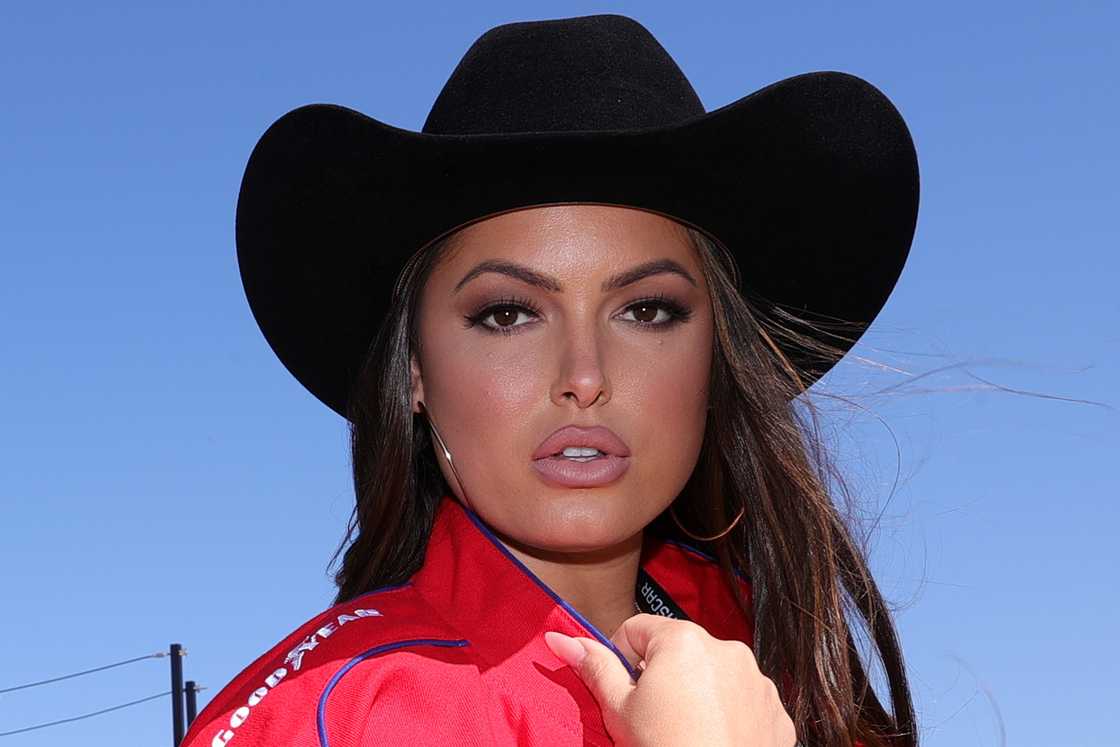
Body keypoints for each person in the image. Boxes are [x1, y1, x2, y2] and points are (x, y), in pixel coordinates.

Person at [182, 12, 920, 747]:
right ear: (414, 372)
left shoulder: (792, 675)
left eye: (648, 309)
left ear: (717, 357)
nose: (585, 376)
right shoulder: (315, 722)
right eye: (507, 314)